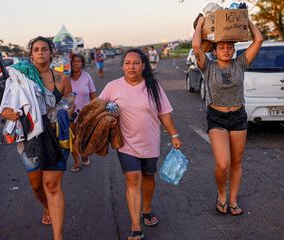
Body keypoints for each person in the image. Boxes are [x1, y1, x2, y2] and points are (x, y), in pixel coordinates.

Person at [99, 49, 182, 240]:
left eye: (136, 63)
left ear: (143, 65)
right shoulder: (113, 87)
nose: (131, 67)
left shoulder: (153, 86)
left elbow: (164, 113)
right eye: (127, 63)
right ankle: (136, 227)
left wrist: (174, 134)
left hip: (150, 143)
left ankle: (147, 209)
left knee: (148, 177)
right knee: (133, 180)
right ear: (122, 66)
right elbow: (98, 108)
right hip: (126, 143)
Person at [0, 36, 73, 240]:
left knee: (51, 185)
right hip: (31, 138)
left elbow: (70, 100)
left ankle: (58, 237)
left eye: (45, 49)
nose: (41, 52)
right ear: (31, 54)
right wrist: (6, 113)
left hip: (57, 136)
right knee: (37, 185)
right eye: (36, 49)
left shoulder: (62, 79)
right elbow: (5, 103)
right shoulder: (19, 78)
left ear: (52, 53)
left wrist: (66, 112)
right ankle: (46, 207)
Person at [192, 15, 263, 216]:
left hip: (238, 116)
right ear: (214, 51)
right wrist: (199, 25)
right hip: (216, 117)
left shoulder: (240, 63)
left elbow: (258, 40)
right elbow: (197, 46)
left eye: (230, 47)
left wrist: (246, 21)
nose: (226, 50)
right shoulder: (208, 67)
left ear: (234, 50)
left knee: (237, 162)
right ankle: (221, 194)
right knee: (223, 163)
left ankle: (233, 200)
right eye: (222, 47)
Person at [69, 53, 97, 172]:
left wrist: (96, 112)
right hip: (69, 114)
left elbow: (93, 96)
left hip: (84, 114)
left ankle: (84, 154)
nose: (76, 63)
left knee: (83, 138)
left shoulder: (87, 76)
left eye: (78, 61)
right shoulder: (66, 77)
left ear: (82, 64)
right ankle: (76, 161)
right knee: (73, 139)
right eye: (74, 61)